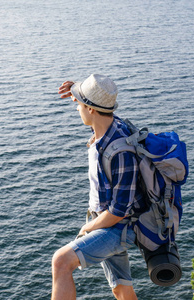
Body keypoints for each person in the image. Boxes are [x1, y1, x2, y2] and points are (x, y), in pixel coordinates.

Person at [52, 74, 145, 300]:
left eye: (80, 104)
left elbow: (118, 211)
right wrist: (77, 89)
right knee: (121, 289)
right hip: (105, 221)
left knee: (61, 262)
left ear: (92, 109)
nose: (77, 109)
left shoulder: (120, 151)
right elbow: (97, 106)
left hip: (117, 228)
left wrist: (89, 227)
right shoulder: (107, 125)